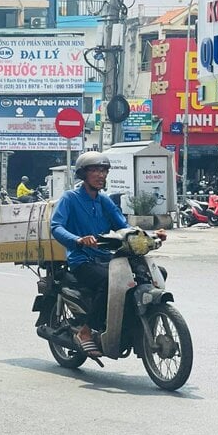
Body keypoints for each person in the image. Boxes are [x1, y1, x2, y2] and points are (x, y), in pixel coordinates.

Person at [50, 151, 167, 357]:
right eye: (95, 170)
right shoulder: (70, 198)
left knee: (156, 274)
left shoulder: (104, 201)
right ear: (83, 174)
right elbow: (56, 226)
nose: (100, 175)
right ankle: (85, 332)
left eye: (104, 170)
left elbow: (124, 227)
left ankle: (129, 324)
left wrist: (150, 236)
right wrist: (77, 240)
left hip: (107, 258)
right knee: (109, 283)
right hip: (82, 259)